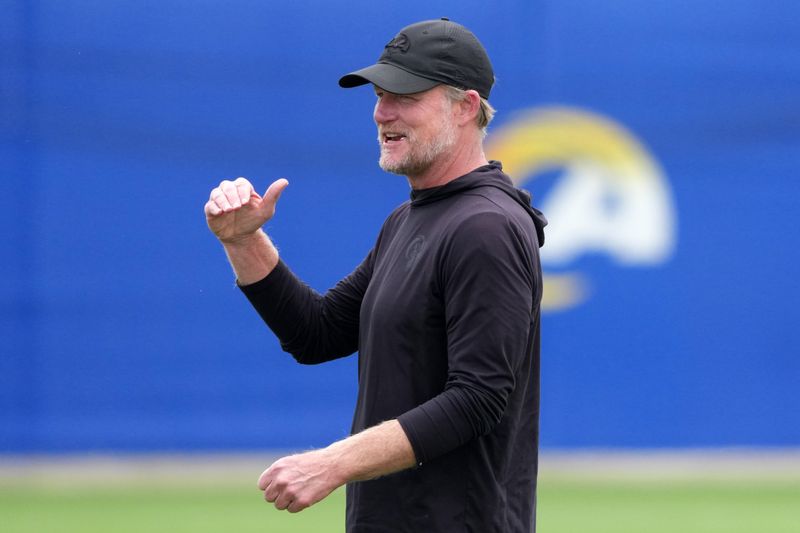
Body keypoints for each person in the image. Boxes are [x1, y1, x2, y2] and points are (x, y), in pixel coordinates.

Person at [204, 18, 547, 533]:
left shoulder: (486, 227)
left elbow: (478, 398)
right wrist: (242, 240)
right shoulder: (410, 219)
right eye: (381, 95)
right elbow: (315, 333)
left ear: (466, 107)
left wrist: (332, 463)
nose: (383, 112)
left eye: (405, 96)